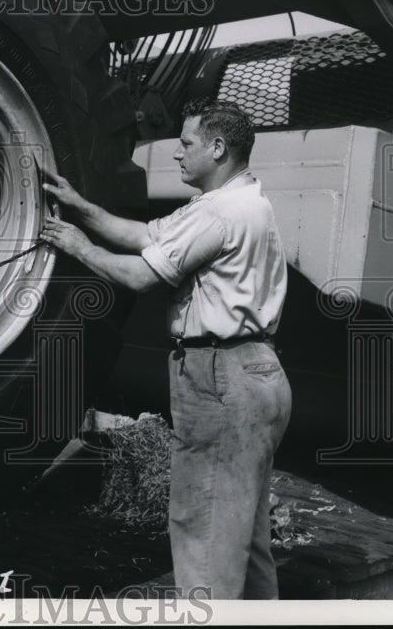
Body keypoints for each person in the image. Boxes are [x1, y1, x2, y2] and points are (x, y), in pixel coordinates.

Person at [39, 97, 291, 599]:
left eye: (187, 143)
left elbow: (138, 275)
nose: (177, 154)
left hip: (222, 379)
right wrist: (82, 206)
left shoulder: (219, 212)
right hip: (258, 375)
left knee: (205, 531)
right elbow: (145, 236)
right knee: (245, 538)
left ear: (218, 148)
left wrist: (76, 245)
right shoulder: (242, 202)